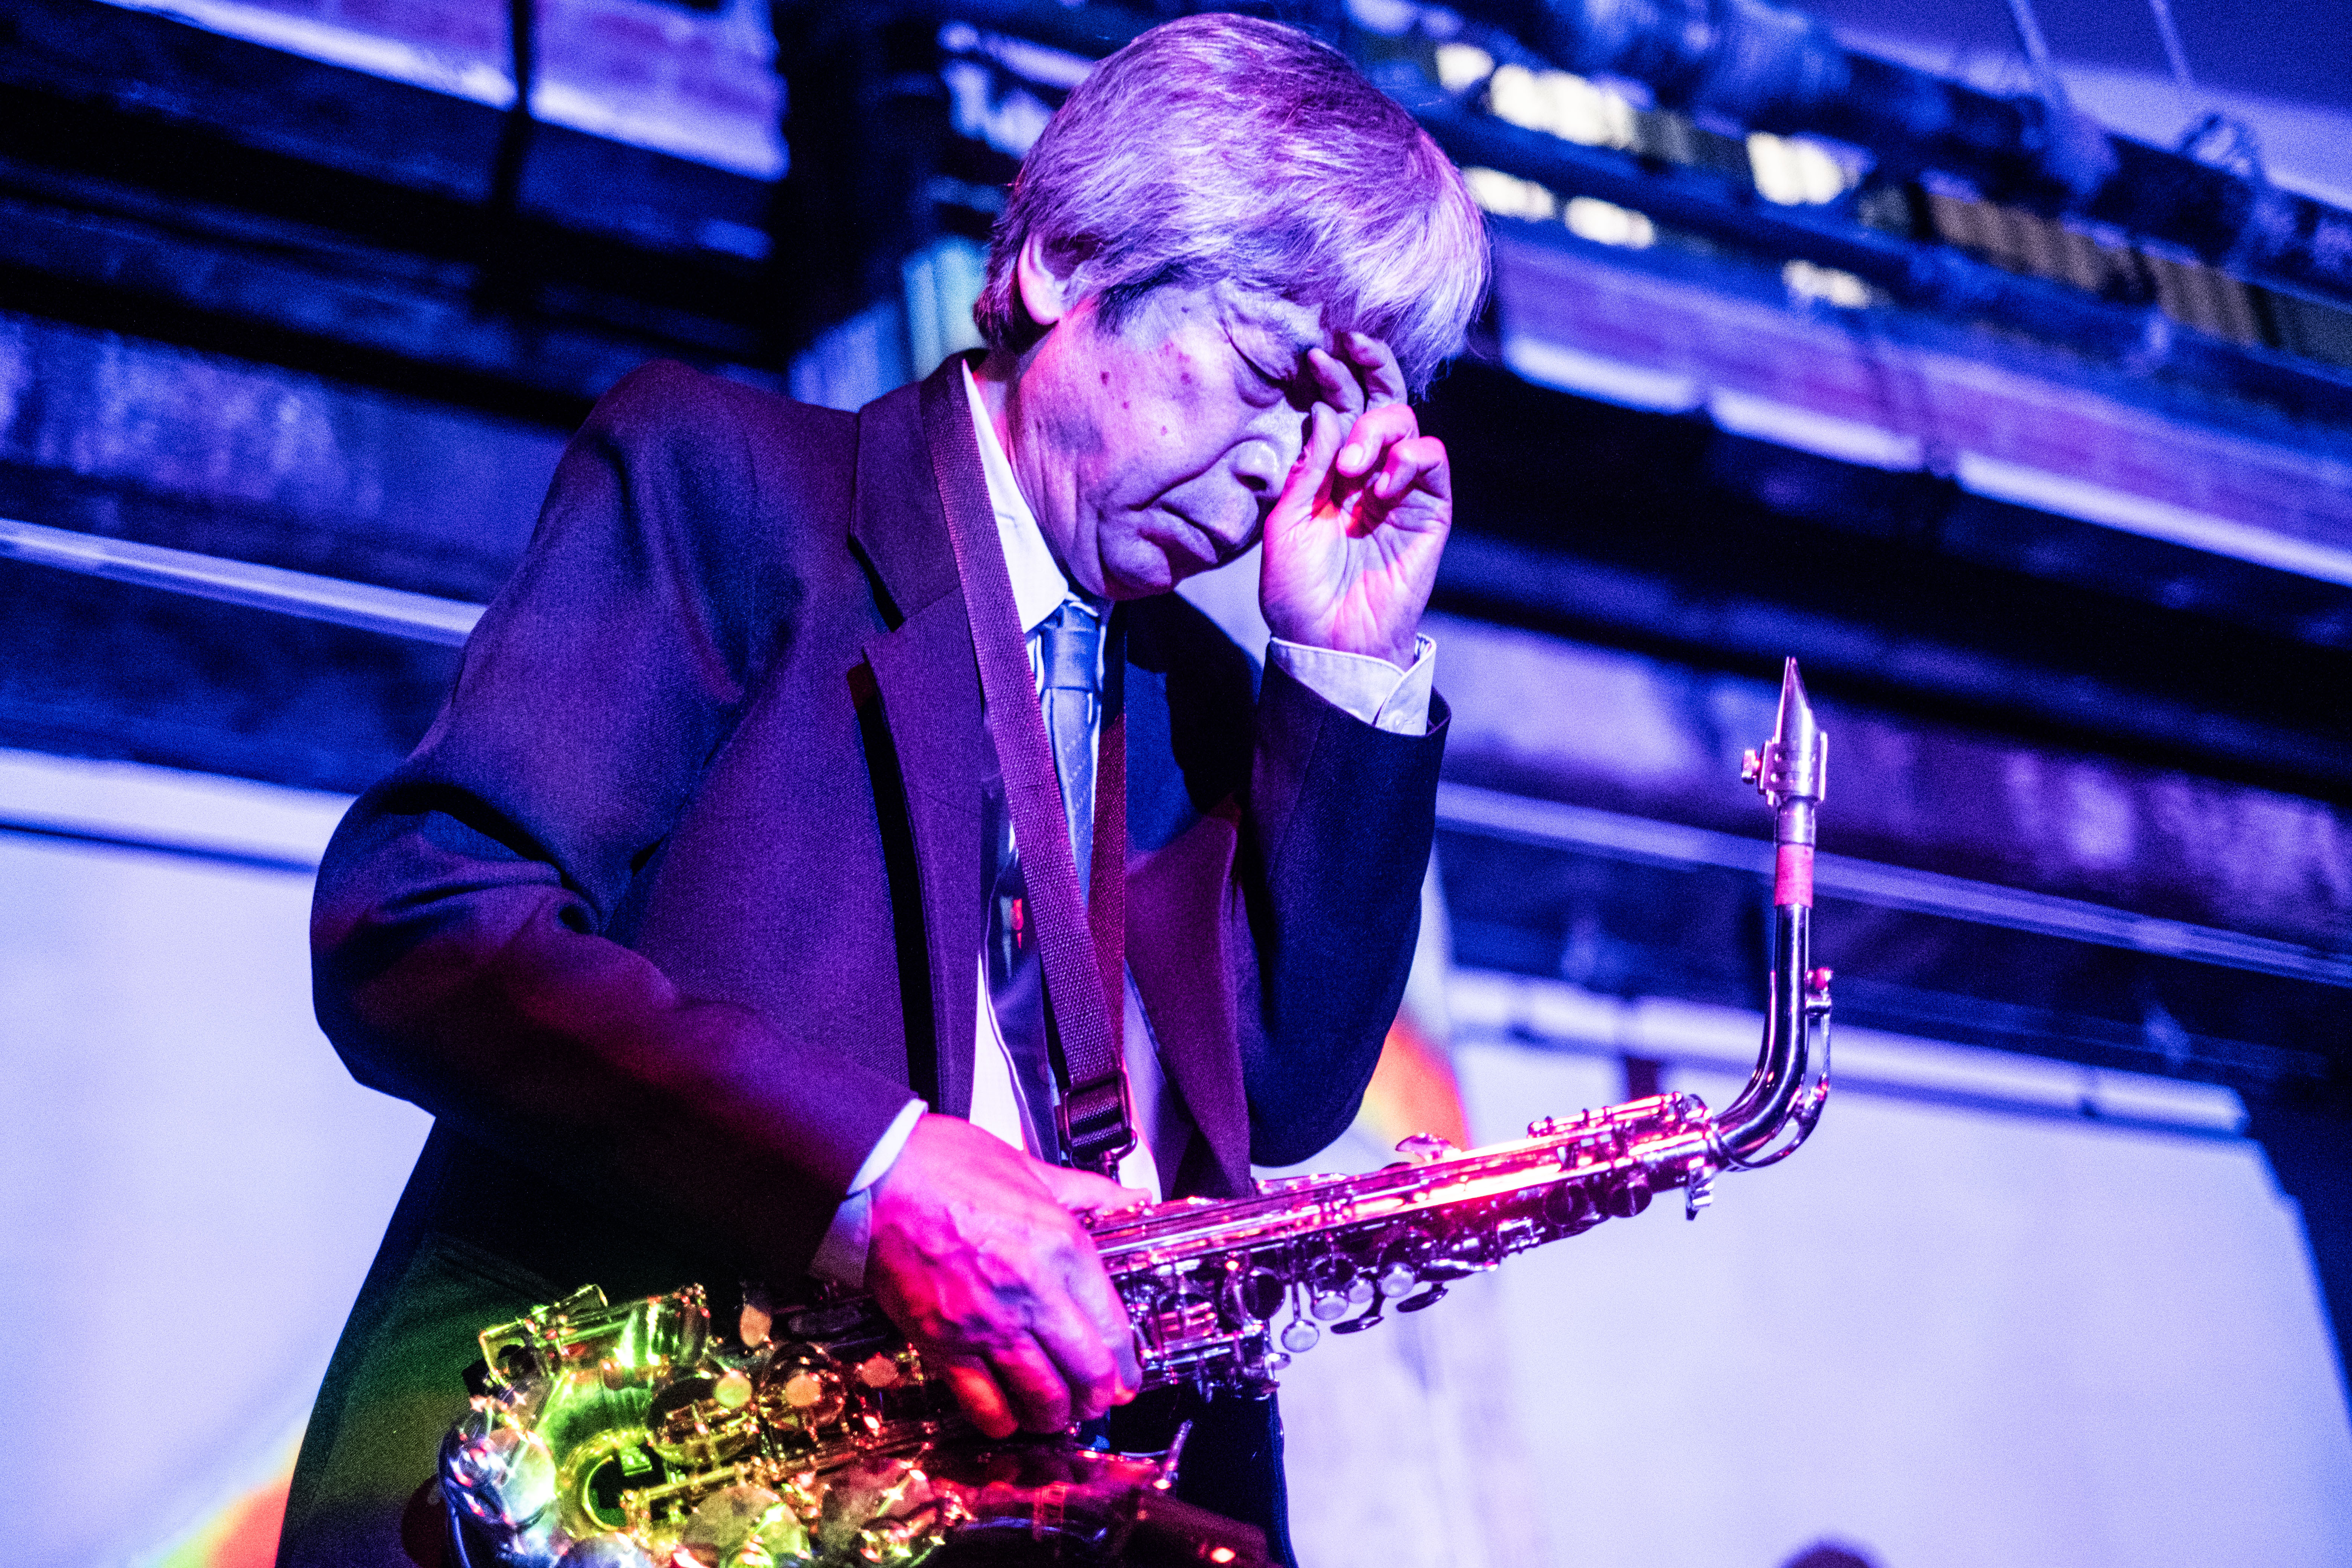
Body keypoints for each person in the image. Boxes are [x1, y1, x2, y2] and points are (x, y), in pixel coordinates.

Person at [279, 14, 1487, 1566]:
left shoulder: (1197, 686)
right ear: (1064, 262)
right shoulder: (728, 482)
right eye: (1270, 371)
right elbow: (418, 924)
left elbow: (1288, 1091)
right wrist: (881, 1172)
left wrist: (1347, 664)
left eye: (1343, 417)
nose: (1287, 469)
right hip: (596, 1497)